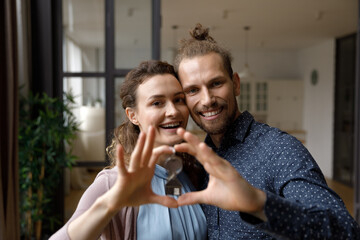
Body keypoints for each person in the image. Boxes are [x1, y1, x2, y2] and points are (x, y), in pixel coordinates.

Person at [172, 23, 360, 239]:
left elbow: (346, 231)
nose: (206, 100)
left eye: (215, 83)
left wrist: (258, 204)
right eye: (193, 90)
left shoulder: (279, 149)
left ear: (236, 84)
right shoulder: (197, 161)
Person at [50, 60, 207, 240]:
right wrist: (111, 203)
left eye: (178, 100)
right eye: (157, 103)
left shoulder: (189, 173)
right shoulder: (112, 183)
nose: (173, 111)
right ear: (133, 116)